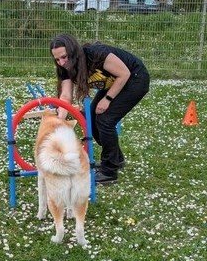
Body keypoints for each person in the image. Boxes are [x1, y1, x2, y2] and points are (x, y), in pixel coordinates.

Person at [49, 34, 150, 184]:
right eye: (57, 59)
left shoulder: (96, 54)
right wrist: (59, 122)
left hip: (135, 79)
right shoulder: (64, 68)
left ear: (73, 52)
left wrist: (107, 99)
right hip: (115, 83)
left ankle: (109, 171)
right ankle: (116, 158)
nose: (62, 62)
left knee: (104, 120)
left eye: (64, 57)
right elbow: (65, 97)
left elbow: (124, 74)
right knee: (90, 116)